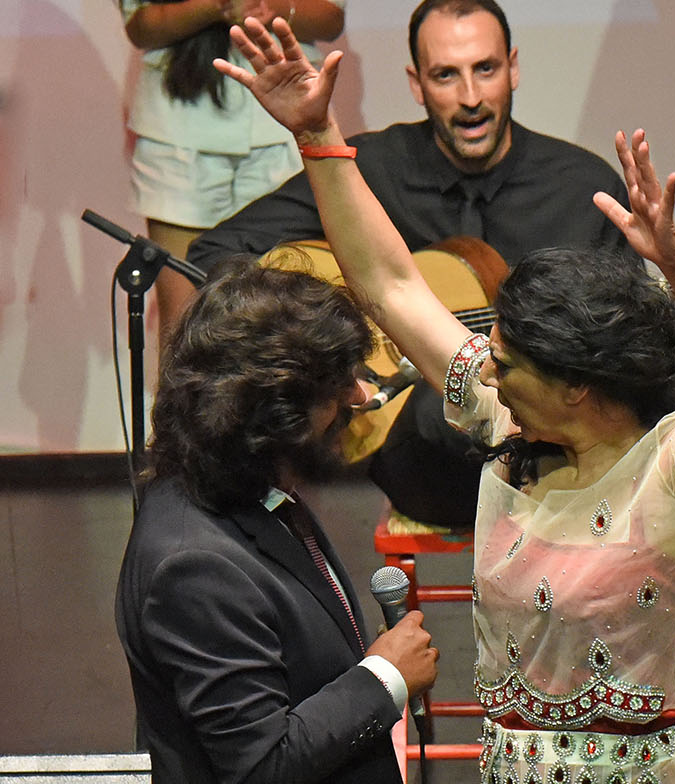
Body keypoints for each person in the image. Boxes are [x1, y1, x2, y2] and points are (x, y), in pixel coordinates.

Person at [216, 11, 675, 782]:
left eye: (506, 363)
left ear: (576, 382)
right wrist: (319, 137)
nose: (483, 371)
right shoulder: (509, 419)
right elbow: (390, 286)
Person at [188, 0, 634, 532]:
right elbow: (215, 252)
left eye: (486, 69)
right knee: (438, 409)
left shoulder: (583, 187)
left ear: (513, 69)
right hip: (422, 459)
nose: (471, 96)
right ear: (416, 84)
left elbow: (629, 349)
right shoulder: (371, 167)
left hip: (556, 445)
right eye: (446, 75)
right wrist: (326, 340)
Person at [115, 260, 441, 783]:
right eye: (336, 383)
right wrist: (385, 677)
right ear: (274, 409)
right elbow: (261, 766)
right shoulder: (194, 566)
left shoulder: (252, 489)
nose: (358, 395)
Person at [114, 0, 346, 338]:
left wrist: (269, 5)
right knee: (184, 322)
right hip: (179, 128)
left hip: (280, 128)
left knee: (286, 316)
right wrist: (214, 6)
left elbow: (329, 14)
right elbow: (140, 24)